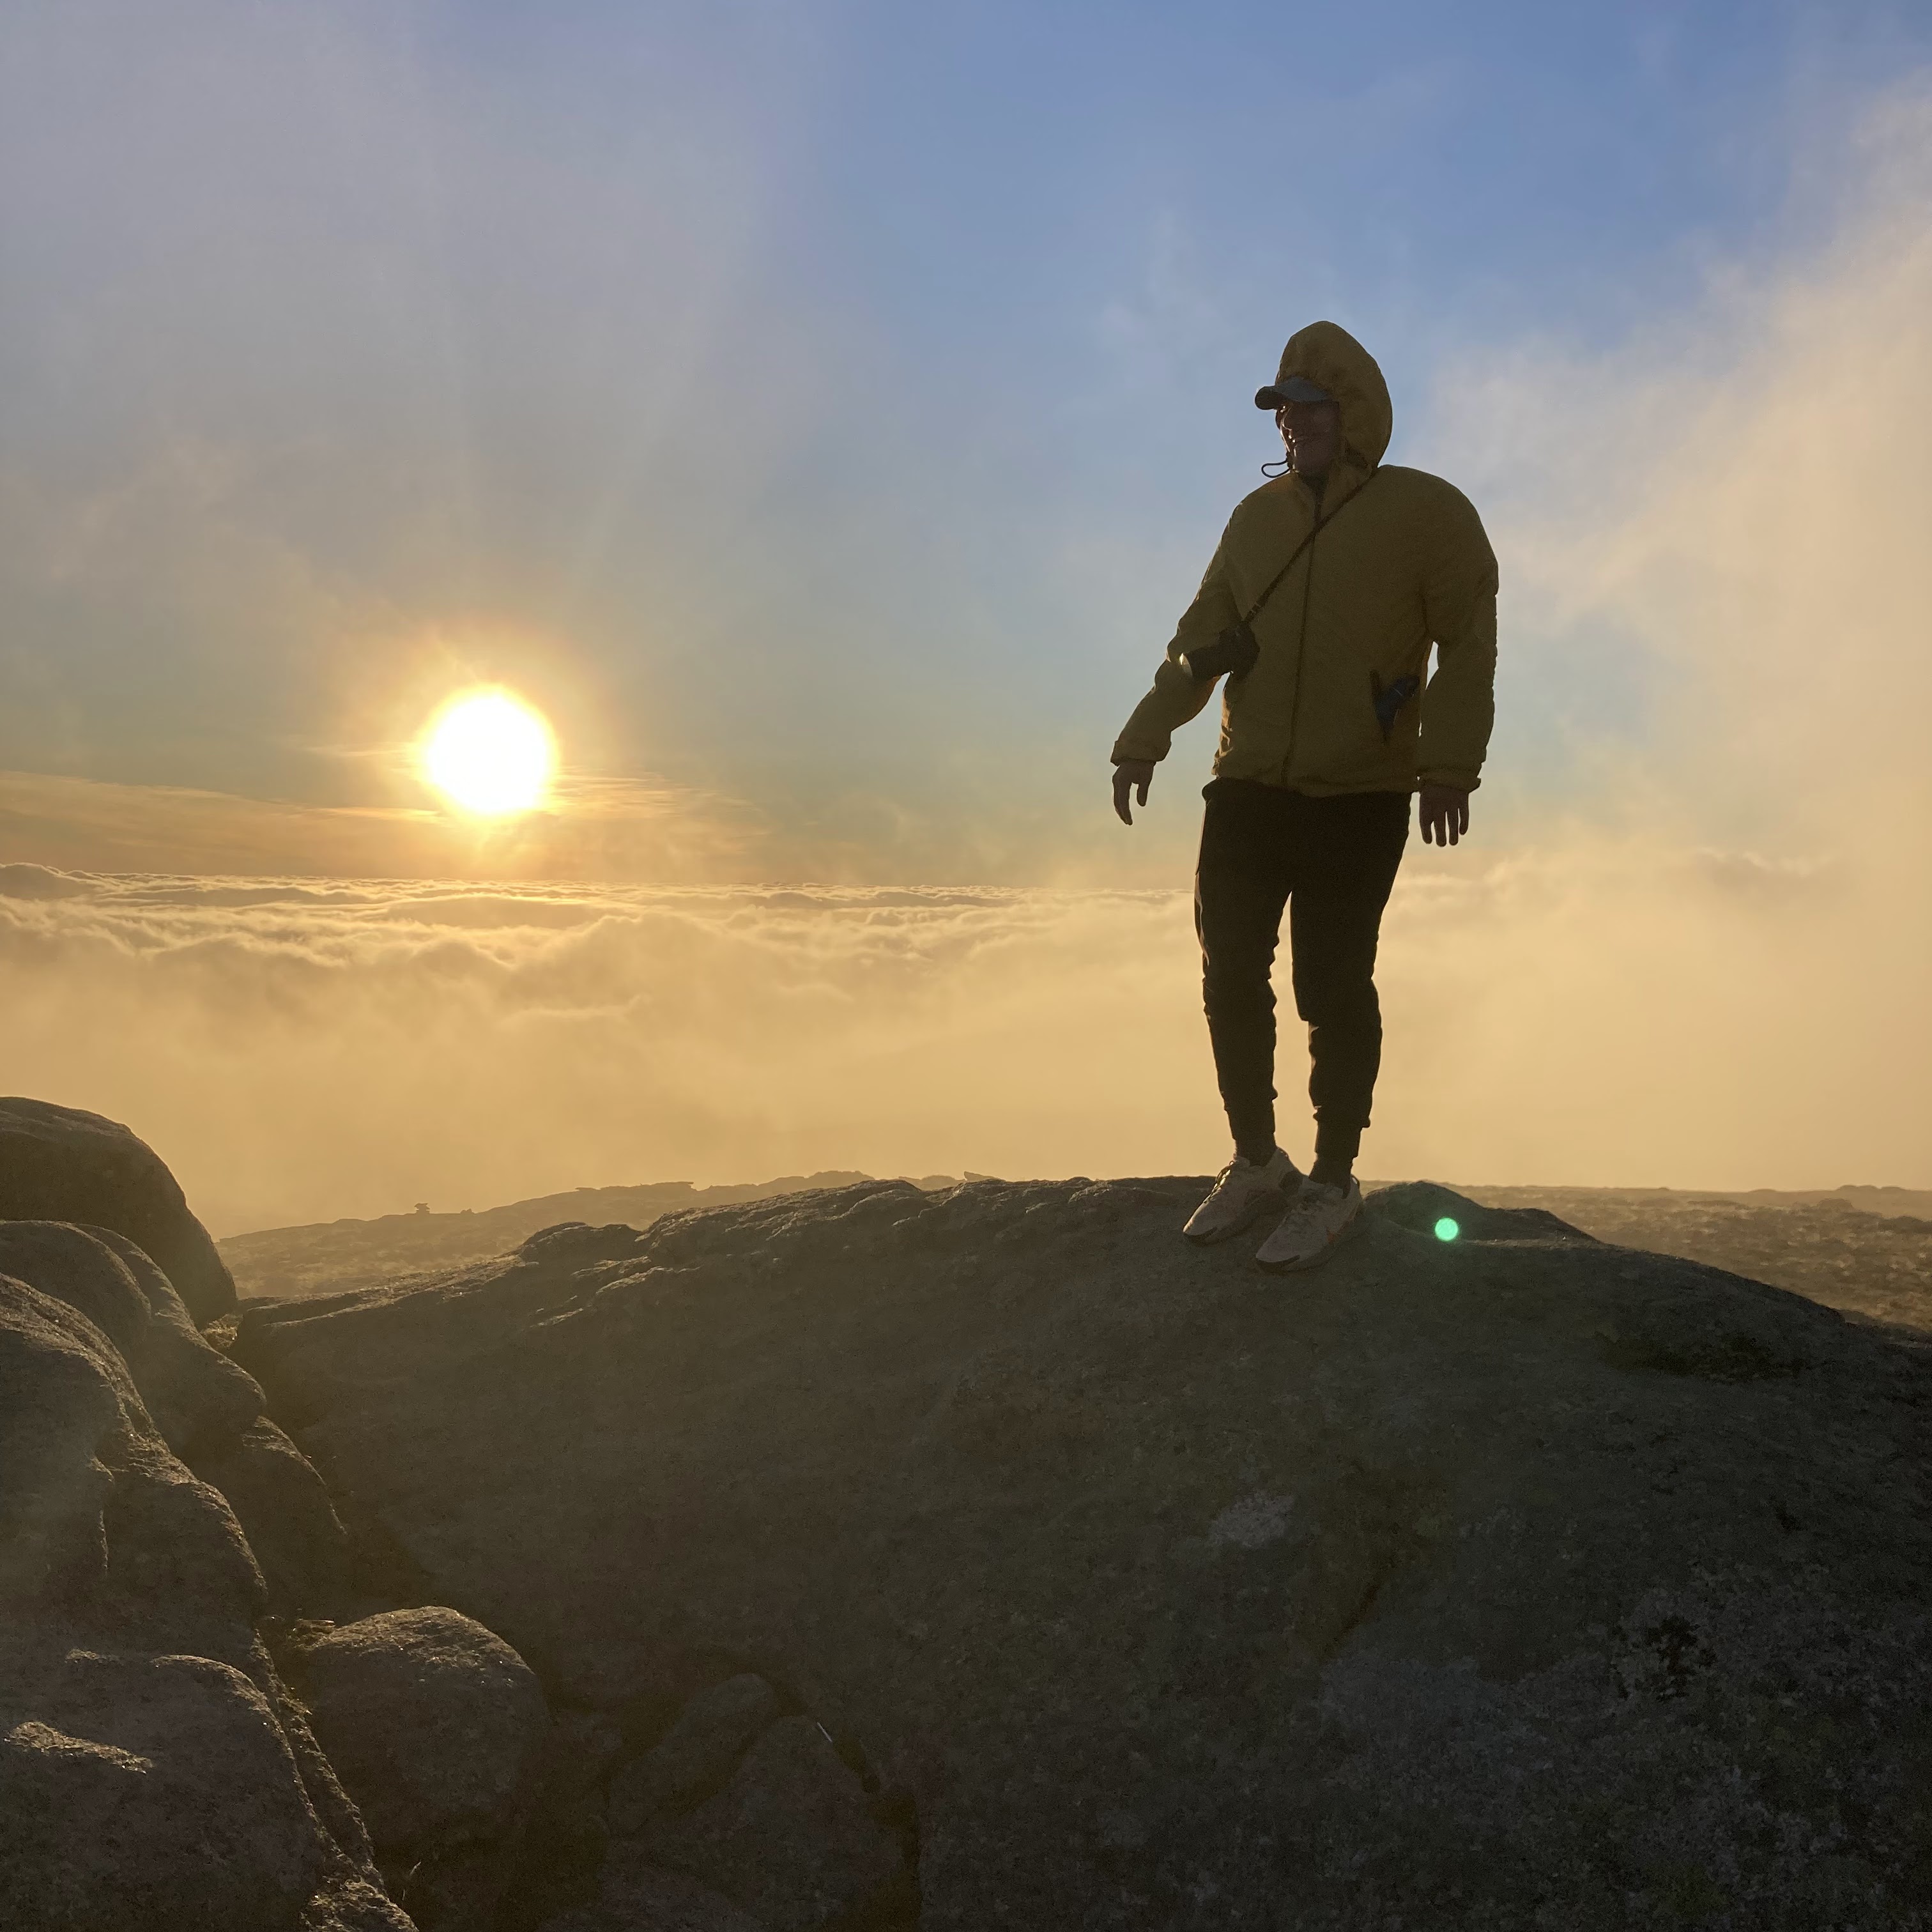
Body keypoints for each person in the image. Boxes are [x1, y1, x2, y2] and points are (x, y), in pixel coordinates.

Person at [1110, 319, 1496, 1272]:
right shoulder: (1255, 522)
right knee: (1229, 968)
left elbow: (1469, 640)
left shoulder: (1427, 513)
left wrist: (1447, 763)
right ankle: (1256, 1161)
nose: (1293, 426)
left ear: (1352, 413)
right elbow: (1200, 640)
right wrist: (1145, 734)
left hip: (1359, 790)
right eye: (1284, 412)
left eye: (1310, 408)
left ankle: (1332, 1179)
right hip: (1246, 781)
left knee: (1330, 983)